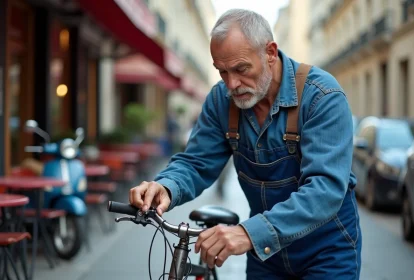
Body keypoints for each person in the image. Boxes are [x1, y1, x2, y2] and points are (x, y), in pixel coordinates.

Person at [129, 9, 361, 279]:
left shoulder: (322, 96)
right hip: (266, 255)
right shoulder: (220, 100)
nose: (232, 84)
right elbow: (195, 162)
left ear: (270, 53)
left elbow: (325, 190)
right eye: (222, 72)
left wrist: (248, 233)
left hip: (326, 252)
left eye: (241, 69)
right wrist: (166, 186)